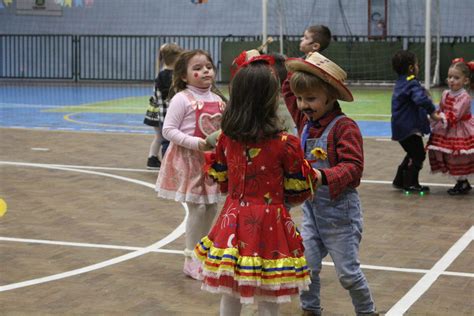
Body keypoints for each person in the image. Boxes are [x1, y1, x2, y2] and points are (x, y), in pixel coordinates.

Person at [194, 58, 317, 315]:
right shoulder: (286, 143)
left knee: (231, 291)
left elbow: (223, 181)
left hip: (233, 219)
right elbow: (298, 191)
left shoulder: (227, 139)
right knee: (270, 294)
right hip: (272, 222)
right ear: (270, 99)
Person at [285, 52, 378, 315]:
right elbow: (288, 90)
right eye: (301, 99)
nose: (303, 105)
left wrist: (322, 176)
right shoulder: (305, 121)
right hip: (313, 212)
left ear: (330, 96)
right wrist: (294, 63)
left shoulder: (344, 127)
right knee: (307, 267)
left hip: (341, 215)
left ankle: (367, 312)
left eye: (311, 99)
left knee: (348, 275)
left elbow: (354, 167)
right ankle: (310, 309)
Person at [155, 49, 226, 280]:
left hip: (212, 163)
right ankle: (190, 258)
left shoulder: (218, 100)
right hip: (189, 161)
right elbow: (168, 130)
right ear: (184, 76)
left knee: (212, 207)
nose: (205, 70)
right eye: (197, 68)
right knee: (198, 207)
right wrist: (196, 143)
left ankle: (203, 253)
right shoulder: (181, 98)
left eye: (208, 66)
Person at [390, 50, 442, 193]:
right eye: (417, 64)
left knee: (413, 152)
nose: (418, 67)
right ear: (411, 68)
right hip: (408, 128)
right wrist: (433, 112)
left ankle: (400, 180)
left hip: (400, 126)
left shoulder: (402, 82)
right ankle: (411, 183)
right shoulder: (411, 83)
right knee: (418, 154)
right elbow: (420, 99)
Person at [427, 58, 474, 195]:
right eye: (449, 77)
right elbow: (441, 108)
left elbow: (455, 114)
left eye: (456, 77)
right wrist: (434, 116)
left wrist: (439, 117)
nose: (451, 80)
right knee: (450, 156)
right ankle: (461, 181)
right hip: (446, 128)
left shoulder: (464, 97)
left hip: (461, 129)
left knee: (460, 156)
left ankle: (462, 181)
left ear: (465, 81)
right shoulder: (445, 93)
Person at [282, 25, 332, 135]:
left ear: (315, 46)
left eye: (305, 37)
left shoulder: (324, 70)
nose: (301, 39)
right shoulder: (301, 115)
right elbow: (288, 92)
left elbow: (287, 91)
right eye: (299, 98)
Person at [144, 43, 183, 169]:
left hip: (162, 114)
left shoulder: (161, 75)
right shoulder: (173, 76)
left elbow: (157, 96)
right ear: (176, 58)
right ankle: (168, 166)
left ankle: (157, 160)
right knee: (168, 140)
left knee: (163, 138)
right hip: (170, 114)